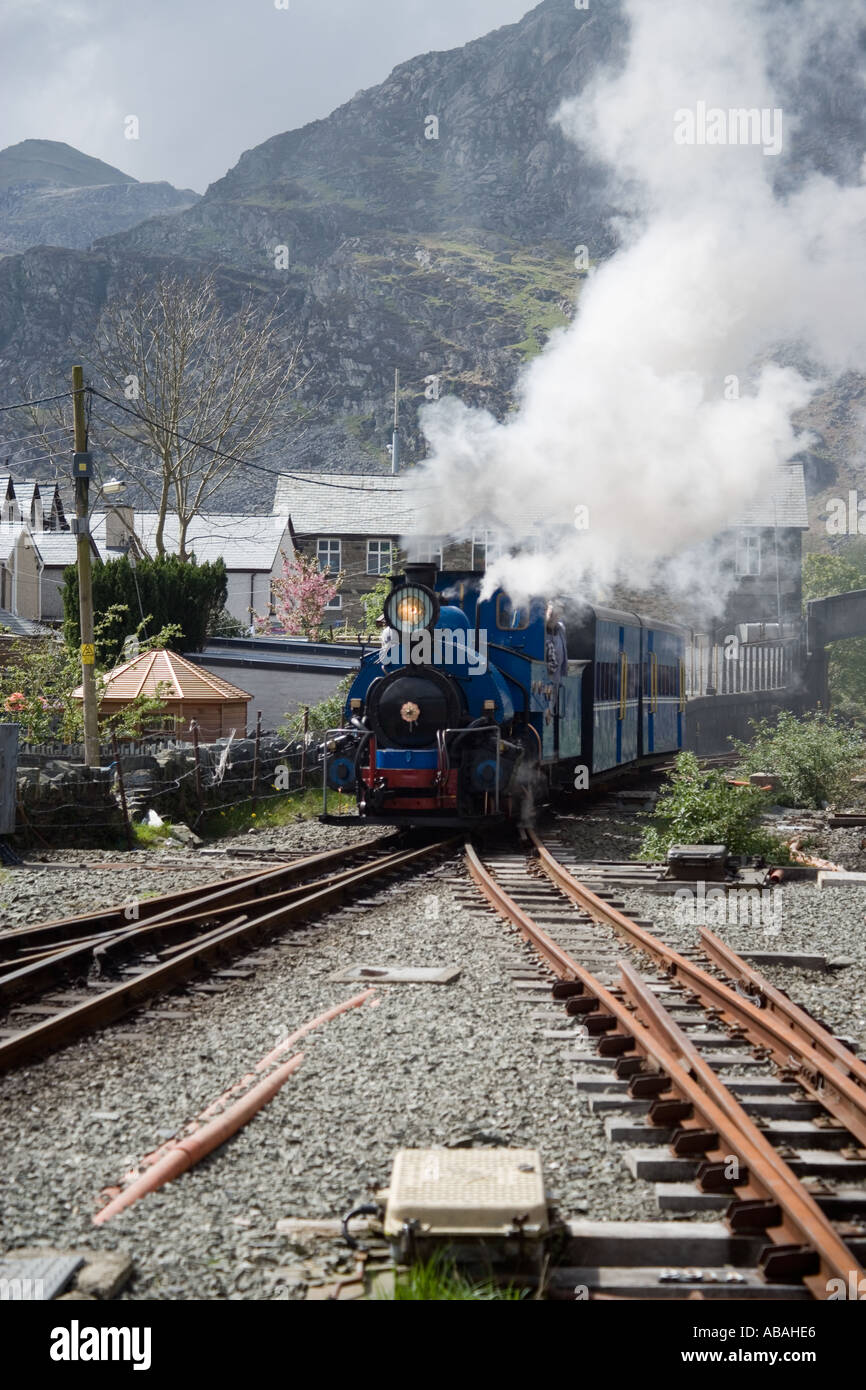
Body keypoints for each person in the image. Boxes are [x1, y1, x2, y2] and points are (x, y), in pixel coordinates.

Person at [545, 600, 568, 681]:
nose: (556, 617)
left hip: (557, 677)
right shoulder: (540, 631)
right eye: (554, 614)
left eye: (559, 614)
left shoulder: (561, 629)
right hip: (546, 678)